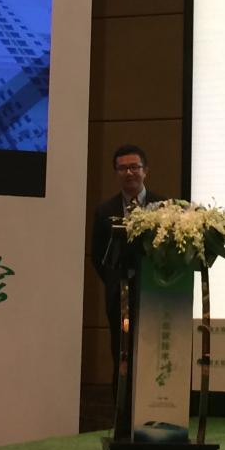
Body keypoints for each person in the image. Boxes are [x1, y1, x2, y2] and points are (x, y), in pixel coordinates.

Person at [91, 144, 159, 383]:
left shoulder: (164, 206)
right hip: (119, 297)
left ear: (145, 170)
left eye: (134, 167)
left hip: (156, 295)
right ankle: (121, 405)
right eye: (122, 168)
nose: (129, 173)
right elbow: (98, 256)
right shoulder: (105, 210)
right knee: (121, 356)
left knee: (153, 356)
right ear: (116, 173)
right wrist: (116, 281)